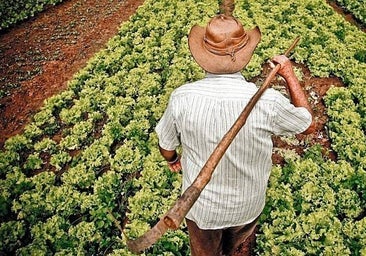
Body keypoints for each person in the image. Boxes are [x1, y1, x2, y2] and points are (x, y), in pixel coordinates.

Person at [155, 8, 316, 256]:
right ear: (245, 54)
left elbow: (166, 146)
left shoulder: (182, 98)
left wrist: (173, 159)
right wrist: (289, 74)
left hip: (201, 210)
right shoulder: (268, 101)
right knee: (236, 245)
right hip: (246, 206)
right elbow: (307, 123)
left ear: (202, 54)